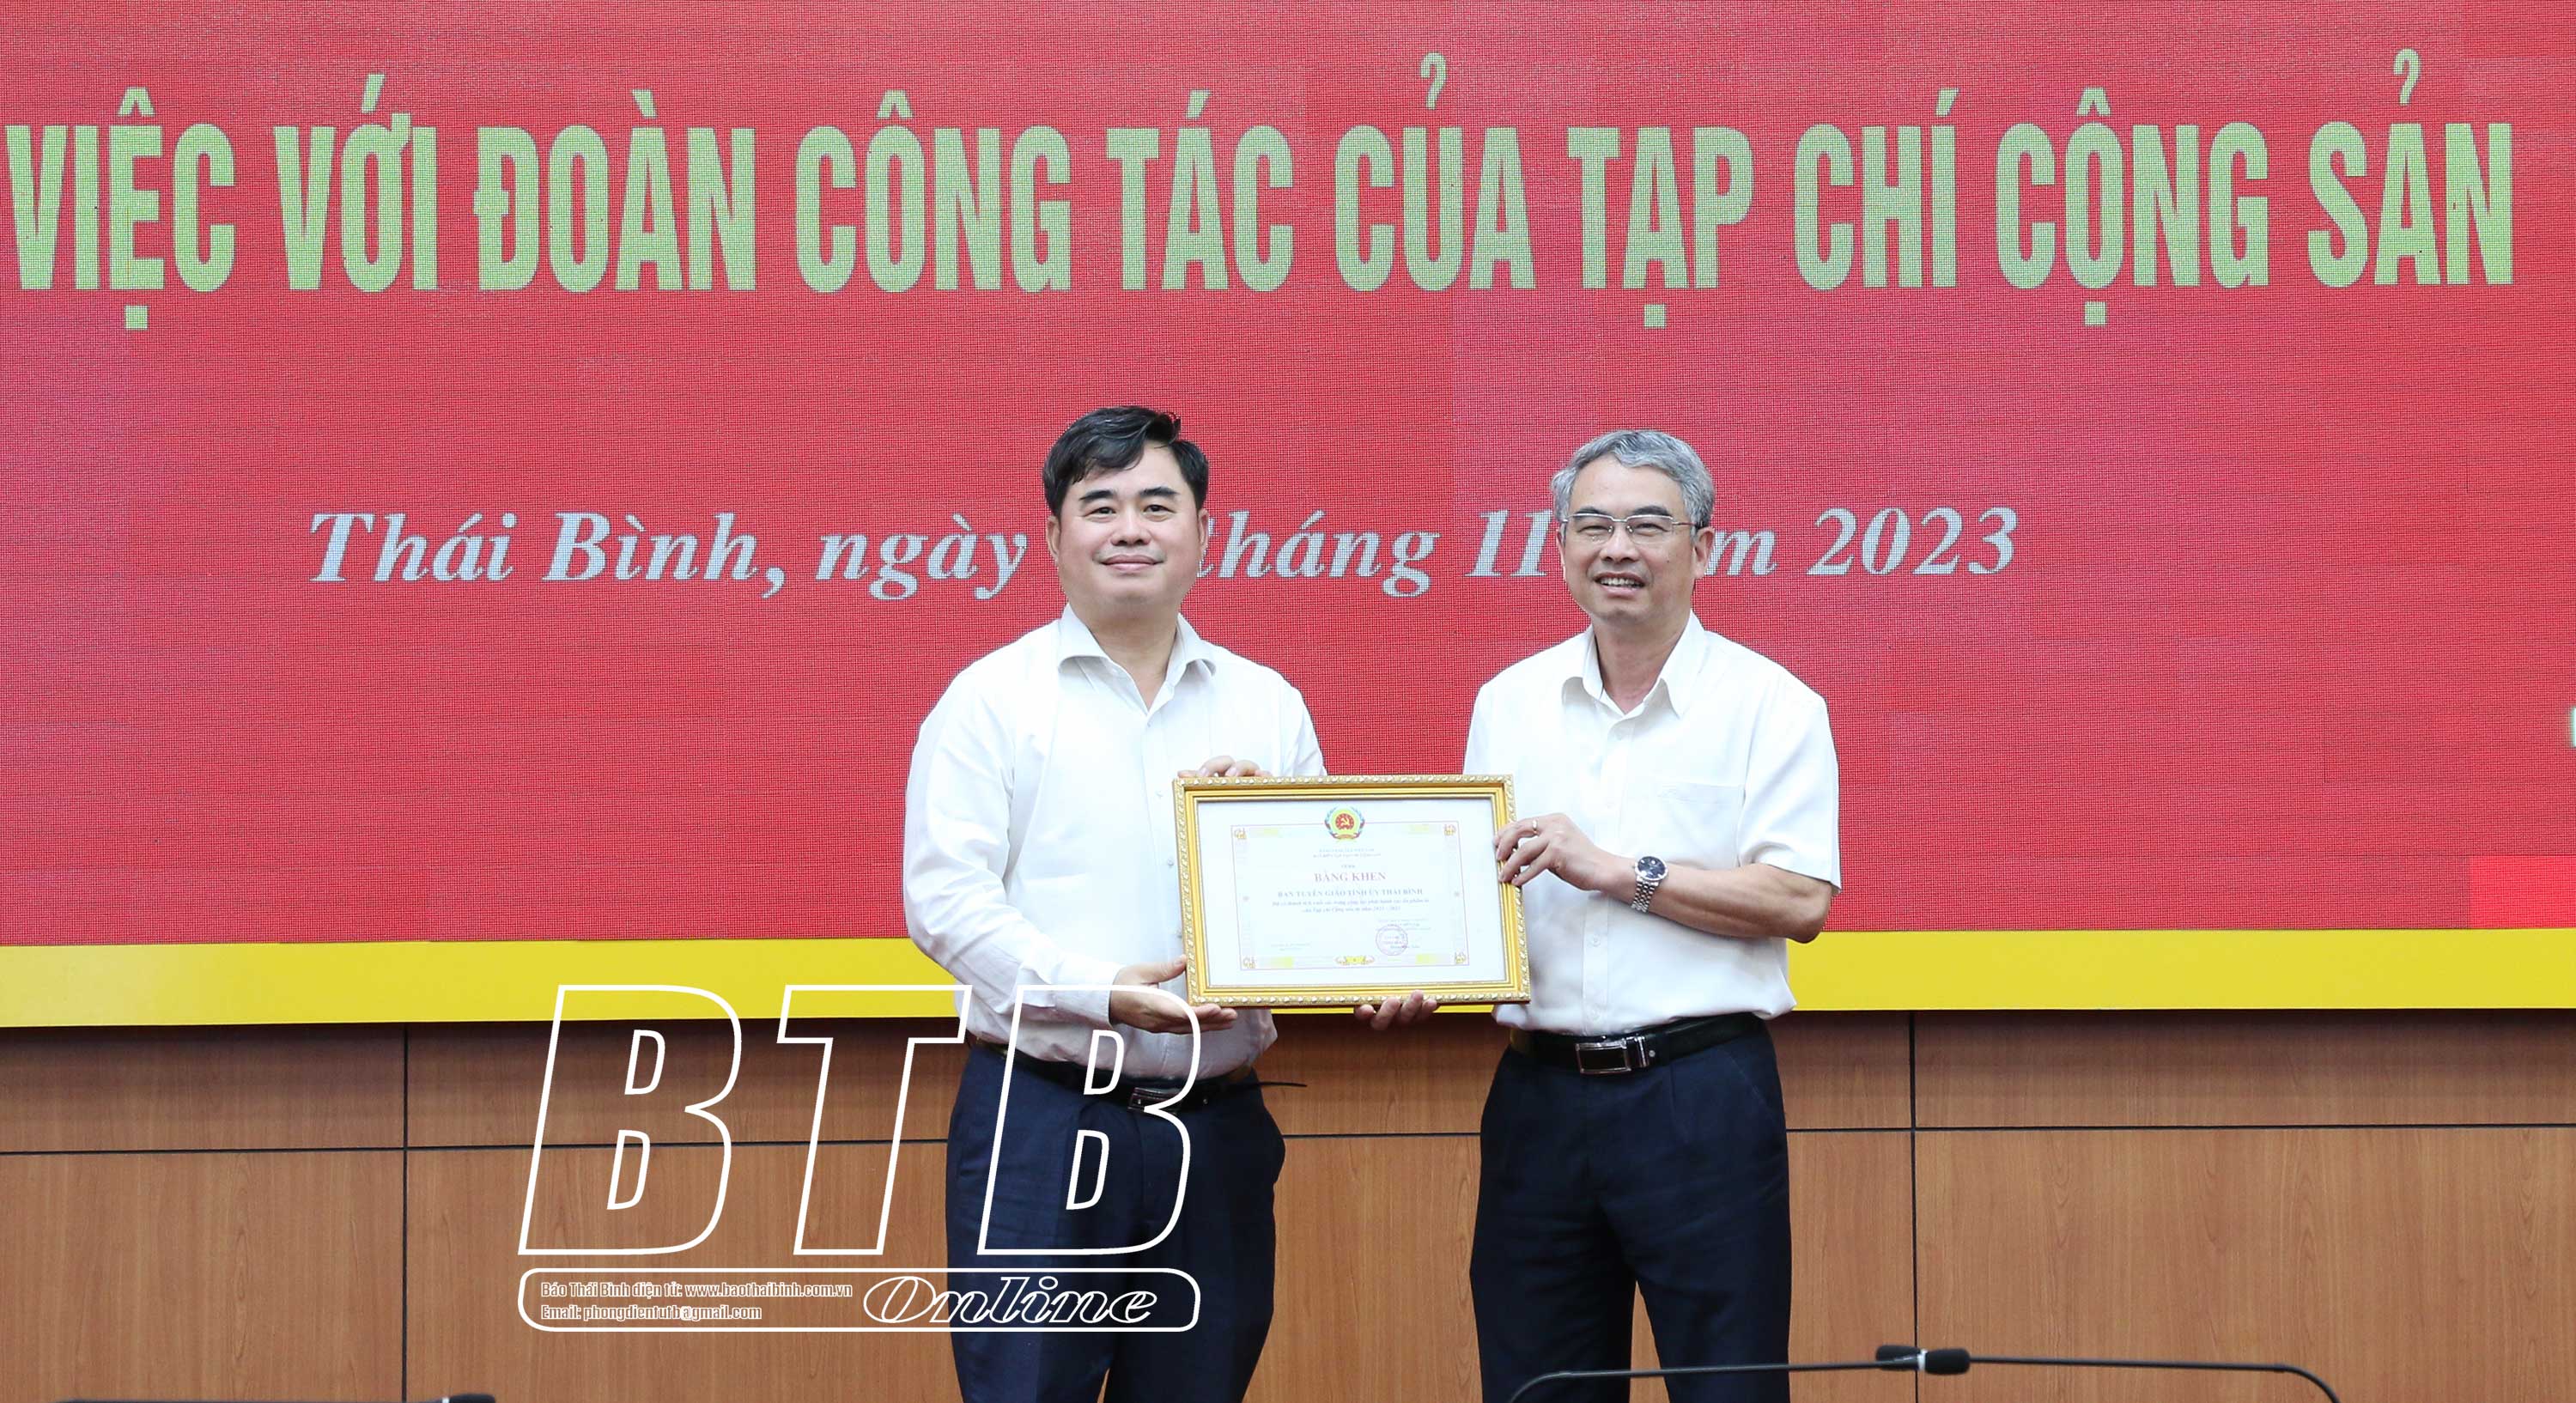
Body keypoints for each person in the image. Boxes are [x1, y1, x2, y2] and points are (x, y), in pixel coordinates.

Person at [902, 406, 1320, 1403]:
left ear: (1205, 533)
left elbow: (1313, 907)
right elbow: (944, 900)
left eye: (1157, 505)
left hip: (1214, 1125)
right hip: (1042, 1120)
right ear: (1053, 536)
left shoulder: (1266, 703)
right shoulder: (991, 699)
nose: (1130, 528)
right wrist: (1099, 990)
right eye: (1101, 506)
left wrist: (1285, 857)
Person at [1461, 428, 1842, 1403]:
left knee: (1728, 1385)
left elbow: (1799, 899)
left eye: (1646, 525)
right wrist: (1414, 970)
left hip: (1697, 1093)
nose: (1616, 548)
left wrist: (1617, 871)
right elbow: (1473, 897)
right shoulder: (1509, 702)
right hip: (1538, 1098)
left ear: (1702, 546)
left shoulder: (1771, 704)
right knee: (1538, 1384)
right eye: (1591, 525)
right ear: (1559, 545)